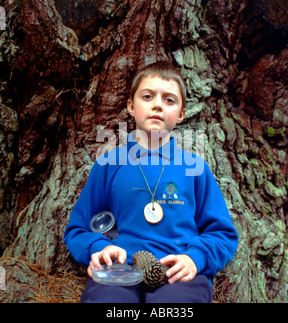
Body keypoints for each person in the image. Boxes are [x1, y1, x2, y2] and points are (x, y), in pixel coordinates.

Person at [64, 61, 239, 303]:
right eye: (147, 96)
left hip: (178, 273)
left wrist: (195, 258)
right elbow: (78, 229)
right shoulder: (108, 165)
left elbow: (222, 233)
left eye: (169, 100)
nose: (157, 104)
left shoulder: (195, 168)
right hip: (120, 268)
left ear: (181, 114)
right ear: (130, 106)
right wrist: (98, 249)